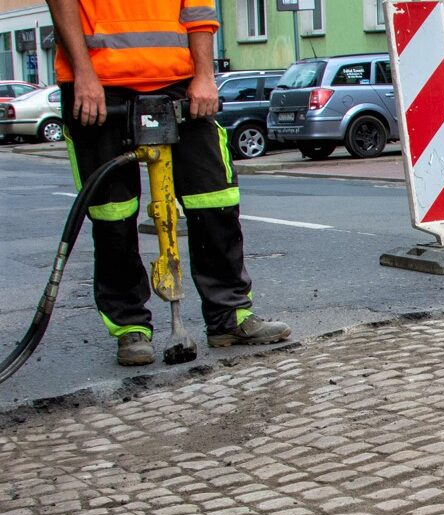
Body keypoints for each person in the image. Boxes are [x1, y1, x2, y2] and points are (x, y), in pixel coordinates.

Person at [46, 0, 290, 366]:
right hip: (99, 84)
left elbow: (199, 12)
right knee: (113, 214)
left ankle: (229, 317)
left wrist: (204, 76)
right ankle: (130, 328)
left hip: (179, 81)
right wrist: (83, 73)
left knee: (215, 198)